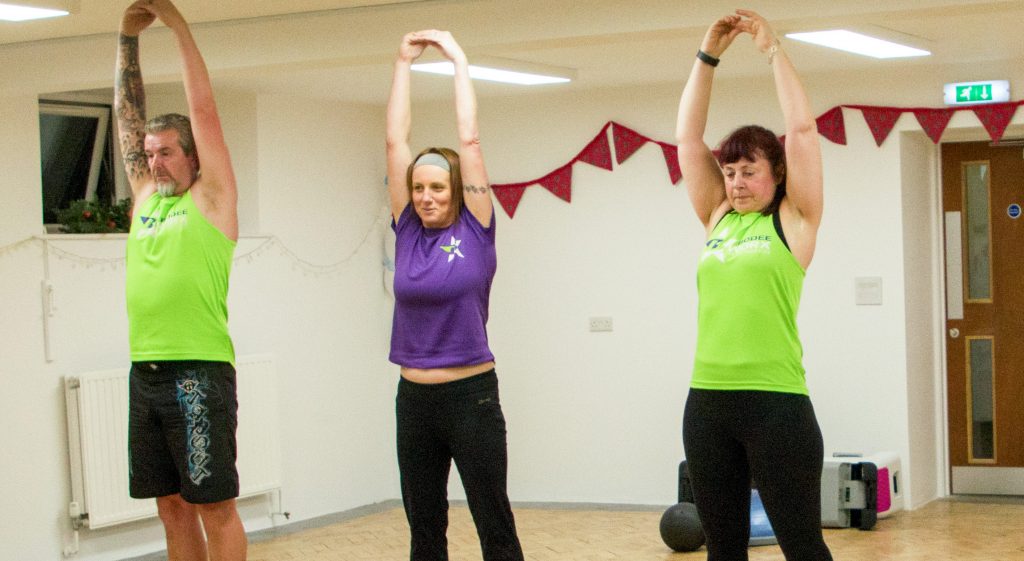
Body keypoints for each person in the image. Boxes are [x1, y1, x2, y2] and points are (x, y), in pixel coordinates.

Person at [675, 9, 832, 561]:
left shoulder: (795, 221)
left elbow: (803, 130)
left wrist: (771, 48)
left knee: (801, 545)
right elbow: (687, 136)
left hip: (777, 406)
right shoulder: (717, 215)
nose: (736, 182)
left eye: (749, 171)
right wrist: (707, 54)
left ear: (778, 174)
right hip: (707, 404)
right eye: (730, 171)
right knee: (724, 549)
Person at [385, 29, 524, 561]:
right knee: (424, 526)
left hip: (471, 398)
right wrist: (403, 63)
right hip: (413, 401)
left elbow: (469, 141)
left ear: (458, 189)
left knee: (493, 519)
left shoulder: (477, 228)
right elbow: (395, 143)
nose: (424, 197)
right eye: (418, 187)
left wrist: (458, 60)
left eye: (437, 188)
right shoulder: (405, 230)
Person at [115, 1, 244, 560]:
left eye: (166, 153)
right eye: (150, 154)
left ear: (192, 157)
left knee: (213, 505)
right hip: (144, 371)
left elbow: (205, 109)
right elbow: (126, 115)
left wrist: (178, 27)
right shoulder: (146, 199)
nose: (154, 163)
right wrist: (126, 38)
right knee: (169, 506)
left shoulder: (212, 200)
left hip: (198, 373)